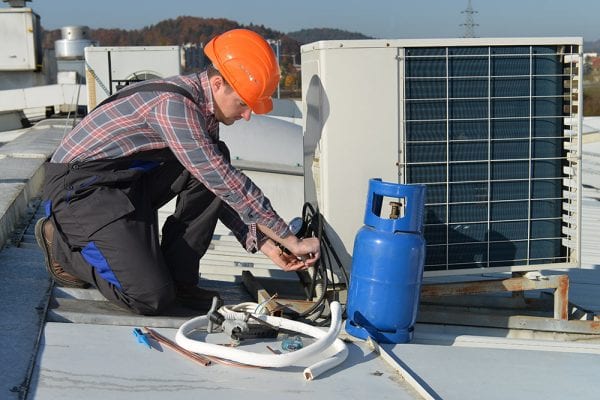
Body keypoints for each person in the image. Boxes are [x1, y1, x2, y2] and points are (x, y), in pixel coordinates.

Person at [34, 29, 320, 315]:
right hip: (81, 191)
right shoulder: (174, 106)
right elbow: (227, 182)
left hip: (123, 184)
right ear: (219, 83)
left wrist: (266, 243)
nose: (247, 115)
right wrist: (289, 238)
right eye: (244, 103)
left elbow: (213, 183)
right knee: (151, 297)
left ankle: (179, 280)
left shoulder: (203, 110)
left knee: (215, 155)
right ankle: (60, 245)